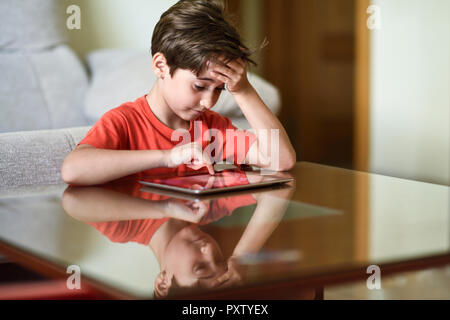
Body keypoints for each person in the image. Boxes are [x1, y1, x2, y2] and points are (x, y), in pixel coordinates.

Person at [61, 0, 296, 186]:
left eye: (219, 90)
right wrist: (168, 157)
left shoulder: (211, 129)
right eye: (199, 86)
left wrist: (243, 91)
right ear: (161, 66)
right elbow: (73, 169)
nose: (208, 102)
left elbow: (280, 159)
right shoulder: (125, 121)